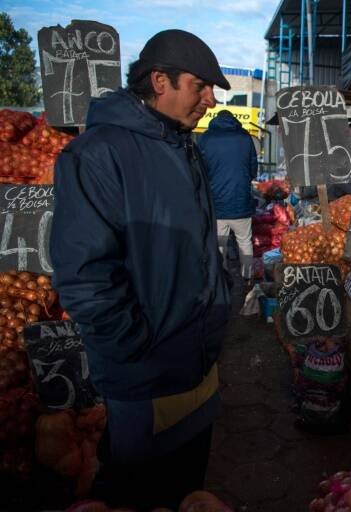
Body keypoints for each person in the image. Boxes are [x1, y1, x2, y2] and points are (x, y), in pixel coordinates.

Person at [50, 30, 232, 509]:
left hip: (197, 368)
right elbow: (84, 274)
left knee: (189, 491)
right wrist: (134, 347)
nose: (211, 100)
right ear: (159, 81)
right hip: (146, 380)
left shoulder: (183, 145)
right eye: (201, 86)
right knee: (142, 495)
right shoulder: (97, 153)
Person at [198, 109, 259, 281]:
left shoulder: (206, 138)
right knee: (245, 241)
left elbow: (200, 170)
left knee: (219, 244)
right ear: (234, 121)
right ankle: (247, 277)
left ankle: (221, 277)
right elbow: (253, 168)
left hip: (216, 204)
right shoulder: (245, 137)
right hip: (241, 202)